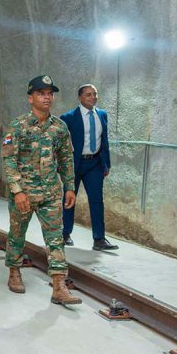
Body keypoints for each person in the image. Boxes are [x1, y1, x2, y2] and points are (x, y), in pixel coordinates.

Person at [1, 75, 80, 305]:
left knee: (56, 238)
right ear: (30, 98)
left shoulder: (59, 127)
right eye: (41, 93)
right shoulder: (18, 126)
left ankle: (59, 285)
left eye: (49, 93)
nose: (47, 97)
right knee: (17, 235)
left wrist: (70, 187)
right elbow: (9, 160)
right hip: (24, 194)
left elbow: (66, 158)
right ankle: (14, 271)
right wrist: (17, 191)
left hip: (51, 194)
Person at [60, 84, 118, 251]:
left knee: (97, 201)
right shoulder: (69, 117)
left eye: (95, 94)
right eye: (88, 95)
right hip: (74, 164)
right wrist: (62, 165)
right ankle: (65, 233)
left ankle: (99, 239)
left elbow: (104, 141)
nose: (93, 97)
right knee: (69, 199)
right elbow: (60, 144)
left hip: (94, 164)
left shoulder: (102, 115)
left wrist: (106, 164)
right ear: (80, 98)